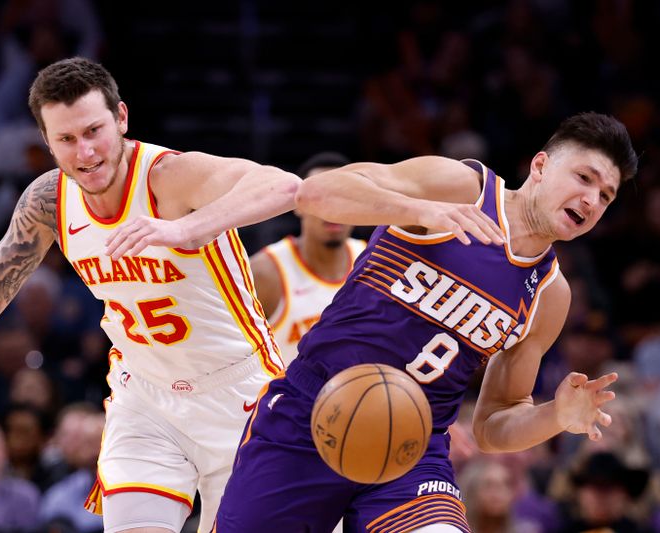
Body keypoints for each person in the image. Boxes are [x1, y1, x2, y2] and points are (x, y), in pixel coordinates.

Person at [0, 56, 299, 533]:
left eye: (94, 131)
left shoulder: (168, 177)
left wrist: (187, 228)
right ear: (46, 143)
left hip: (239, 393)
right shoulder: (48, 202)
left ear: (122, 118)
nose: (85, 152)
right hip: (147, 397)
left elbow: (284, 185)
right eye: (66, 139)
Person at [214, 112, 636, 532]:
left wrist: (556, 416)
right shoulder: (462, 187)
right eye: (585, 178)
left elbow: (492, 424)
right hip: (309, 415)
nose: (591, 200)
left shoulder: (550, 294)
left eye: (605, 196)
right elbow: (314, 194)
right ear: (540, 166)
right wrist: (418, 210)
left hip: (413, 447)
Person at [250, 151, 367, 365]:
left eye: (345, 196)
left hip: (359, 394)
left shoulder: (374, 261)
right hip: (288, 397)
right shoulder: (264, 273)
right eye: (322, 197)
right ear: (298, 205)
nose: (334, 209)